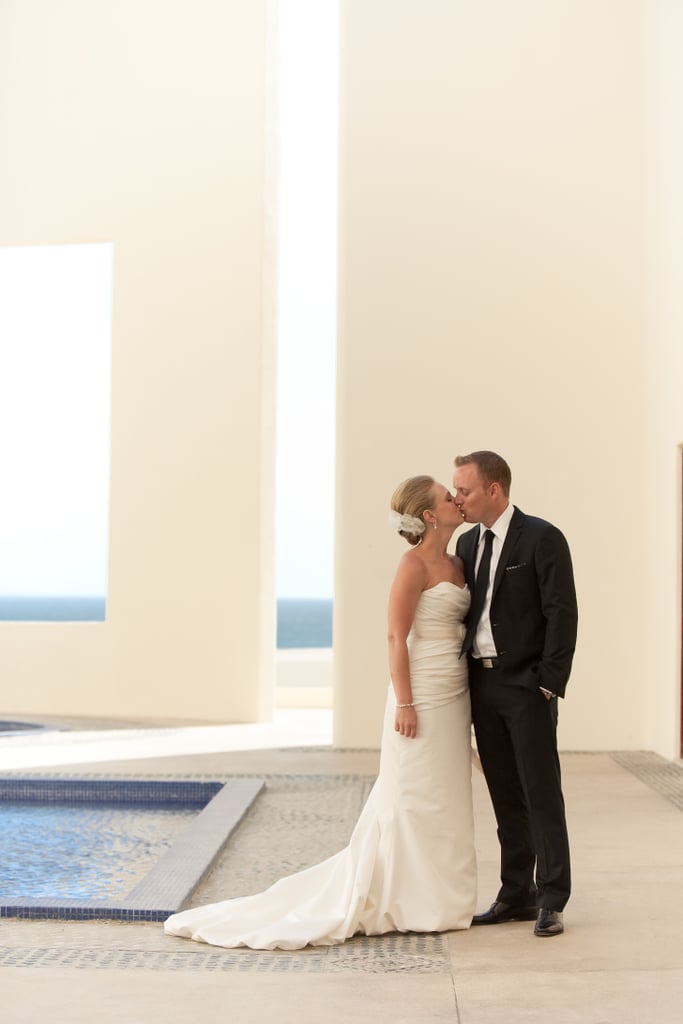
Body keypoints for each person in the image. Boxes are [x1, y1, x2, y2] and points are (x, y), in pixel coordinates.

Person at [163, 475, 477, 950]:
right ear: (430, 515)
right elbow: (395, 638)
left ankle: (442, 899)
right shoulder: (412, 565)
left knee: (447, 797)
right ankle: (405, 899)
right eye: (446, 495)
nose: (455, 499)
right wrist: (406, 702)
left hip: (455, 695)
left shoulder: (459, 560)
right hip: (421, 695)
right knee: (411, 796)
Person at [452, 451, 578, 938]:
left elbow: (562, 614)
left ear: (494, 491)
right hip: (481, 686)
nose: (457, 498)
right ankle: (516, 893)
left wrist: (548, 682)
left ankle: (552, 897)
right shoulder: (466, 543)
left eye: (464, 490)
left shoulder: (543, 538)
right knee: (504, 793)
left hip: (527, 687)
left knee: (541, 792)